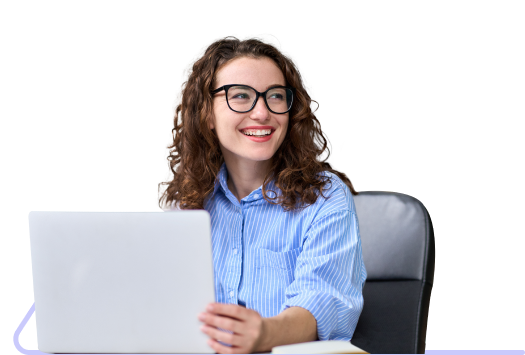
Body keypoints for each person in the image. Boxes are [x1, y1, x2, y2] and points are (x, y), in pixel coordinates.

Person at [157, 33, 367, 354]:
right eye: (240, 96)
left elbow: (322, 305)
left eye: (275, 96)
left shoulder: (326, 199)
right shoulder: (184, 205)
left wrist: (264, 333)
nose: (262, 113)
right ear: (207, 114)